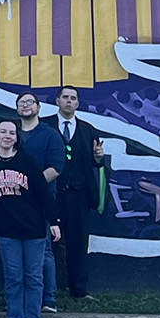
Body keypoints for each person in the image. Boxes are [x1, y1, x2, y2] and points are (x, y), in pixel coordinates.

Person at [0, 118, 57, 318]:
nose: (7, 136)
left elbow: (44, 194)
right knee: (14, 277)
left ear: (17, 137)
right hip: (6, 230)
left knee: (33, 277)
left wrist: (53, 222)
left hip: (34, 229)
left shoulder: (28, 162)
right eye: (3, 132)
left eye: (12, 133)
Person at [51, 87, 106, 301]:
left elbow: (93, 161)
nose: (69, 101)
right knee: (51, 243)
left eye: (73, 98)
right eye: (65, 97)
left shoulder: (88, 130)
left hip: (79, 196)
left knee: (78, 242)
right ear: (57, 100)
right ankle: (51, 290)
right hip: (54, 194)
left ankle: (79, 290)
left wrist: (98, 157)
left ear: (77, 104)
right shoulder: (46, 125)